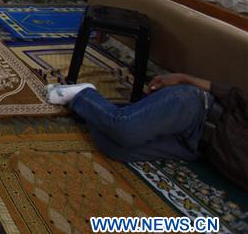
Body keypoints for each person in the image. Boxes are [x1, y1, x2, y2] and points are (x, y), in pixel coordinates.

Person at [46, 74, 246, 190]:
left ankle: (99, 110)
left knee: (115, 148)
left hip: (196, 147)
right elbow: (235, 95)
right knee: (124, 130)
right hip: (199, 111)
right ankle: (84, 94)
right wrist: (184, 78)